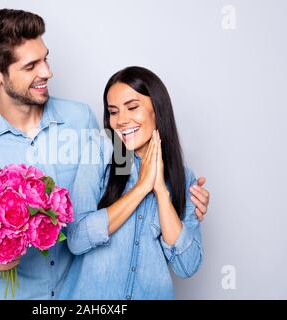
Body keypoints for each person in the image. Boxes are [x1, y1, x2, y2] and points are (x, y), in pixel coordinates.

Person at [0, 8, 210, 300]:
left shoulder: (81, 119)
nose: (47, 72)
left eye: (45, 58)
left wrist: (180, 195)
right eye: (31, 66)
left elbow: (127, 175)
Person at [61, 66, 204, 299]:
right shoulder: (99, 153)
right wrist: (141, 188)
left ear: (157, 109)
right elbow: (76, 239)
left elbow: (187, 266)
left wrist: (160, 191)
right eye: (114, 112)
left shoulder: (184, 178)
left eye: (132, 107)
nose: (121, 121)